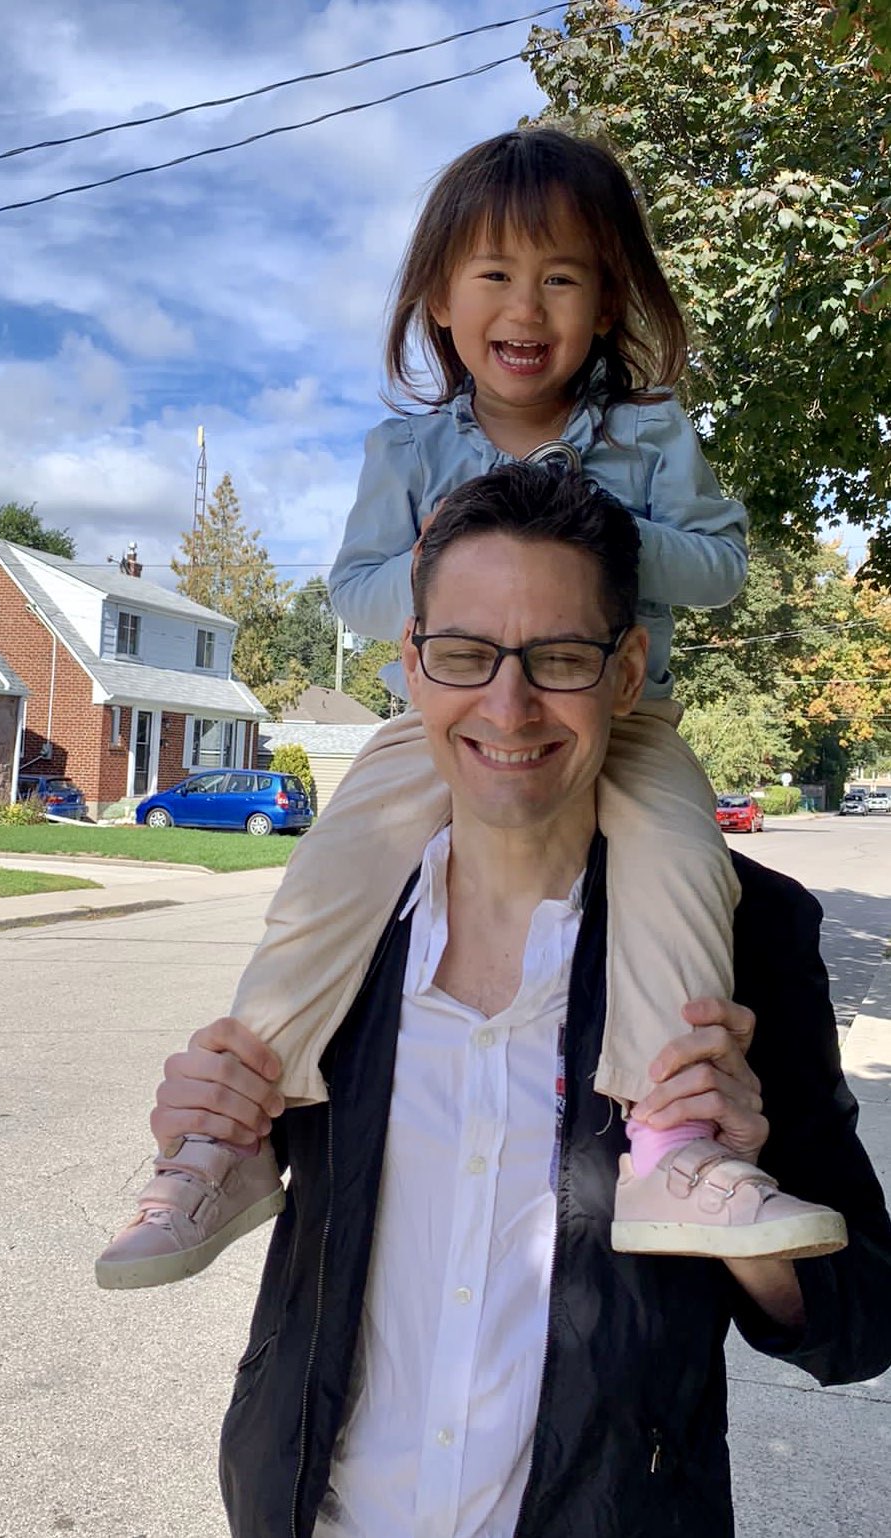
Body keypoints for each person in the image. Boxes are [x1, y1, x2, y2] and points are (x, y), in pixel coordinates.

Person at [95, 126, 842, 1290]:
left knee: (680, 858)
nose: (526, 305)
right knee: (333, 865)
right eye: (494, 273)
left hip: (618, 717)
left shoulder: (644, 434)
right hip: (435, 725)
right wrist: (455, 551)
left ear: (605, 303)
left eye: (562, 277)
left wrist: (590, 521)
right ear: (440, 301)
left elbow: (723, 562)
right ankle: (231, 1133)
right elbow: (352, 588)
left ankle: (672, 1143)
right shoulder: (407, 449)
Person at [154, 467, 891, 1537]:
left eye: (560, 657)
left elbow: (858, 1325)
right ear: (412, 666)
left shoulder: (741, 935)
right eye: (464, 655)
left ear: (628, 671)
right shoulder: (344, 935)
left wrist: (752, 1188)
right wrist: (212, 1115)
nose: (508, 705)